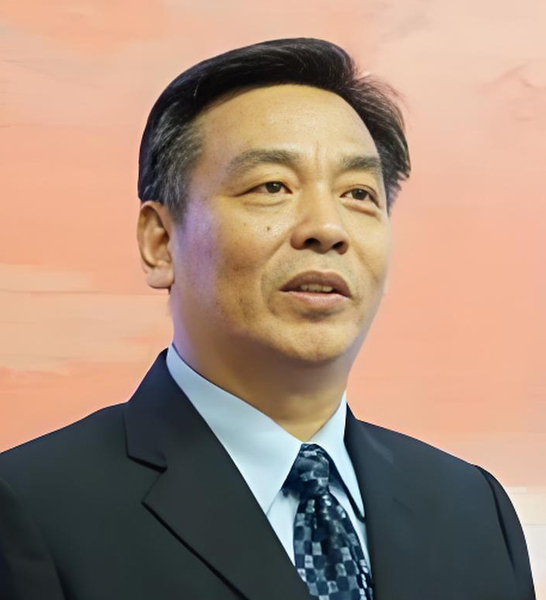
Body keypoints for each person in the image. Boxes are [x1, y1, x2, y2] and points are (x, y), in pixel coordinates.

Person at [0, 37, 536, 600]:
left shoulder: (473, 508)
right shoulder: (31, 508)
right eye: (272, 186)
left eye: (358, 193)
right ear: (160, 243)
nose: (326, 228)